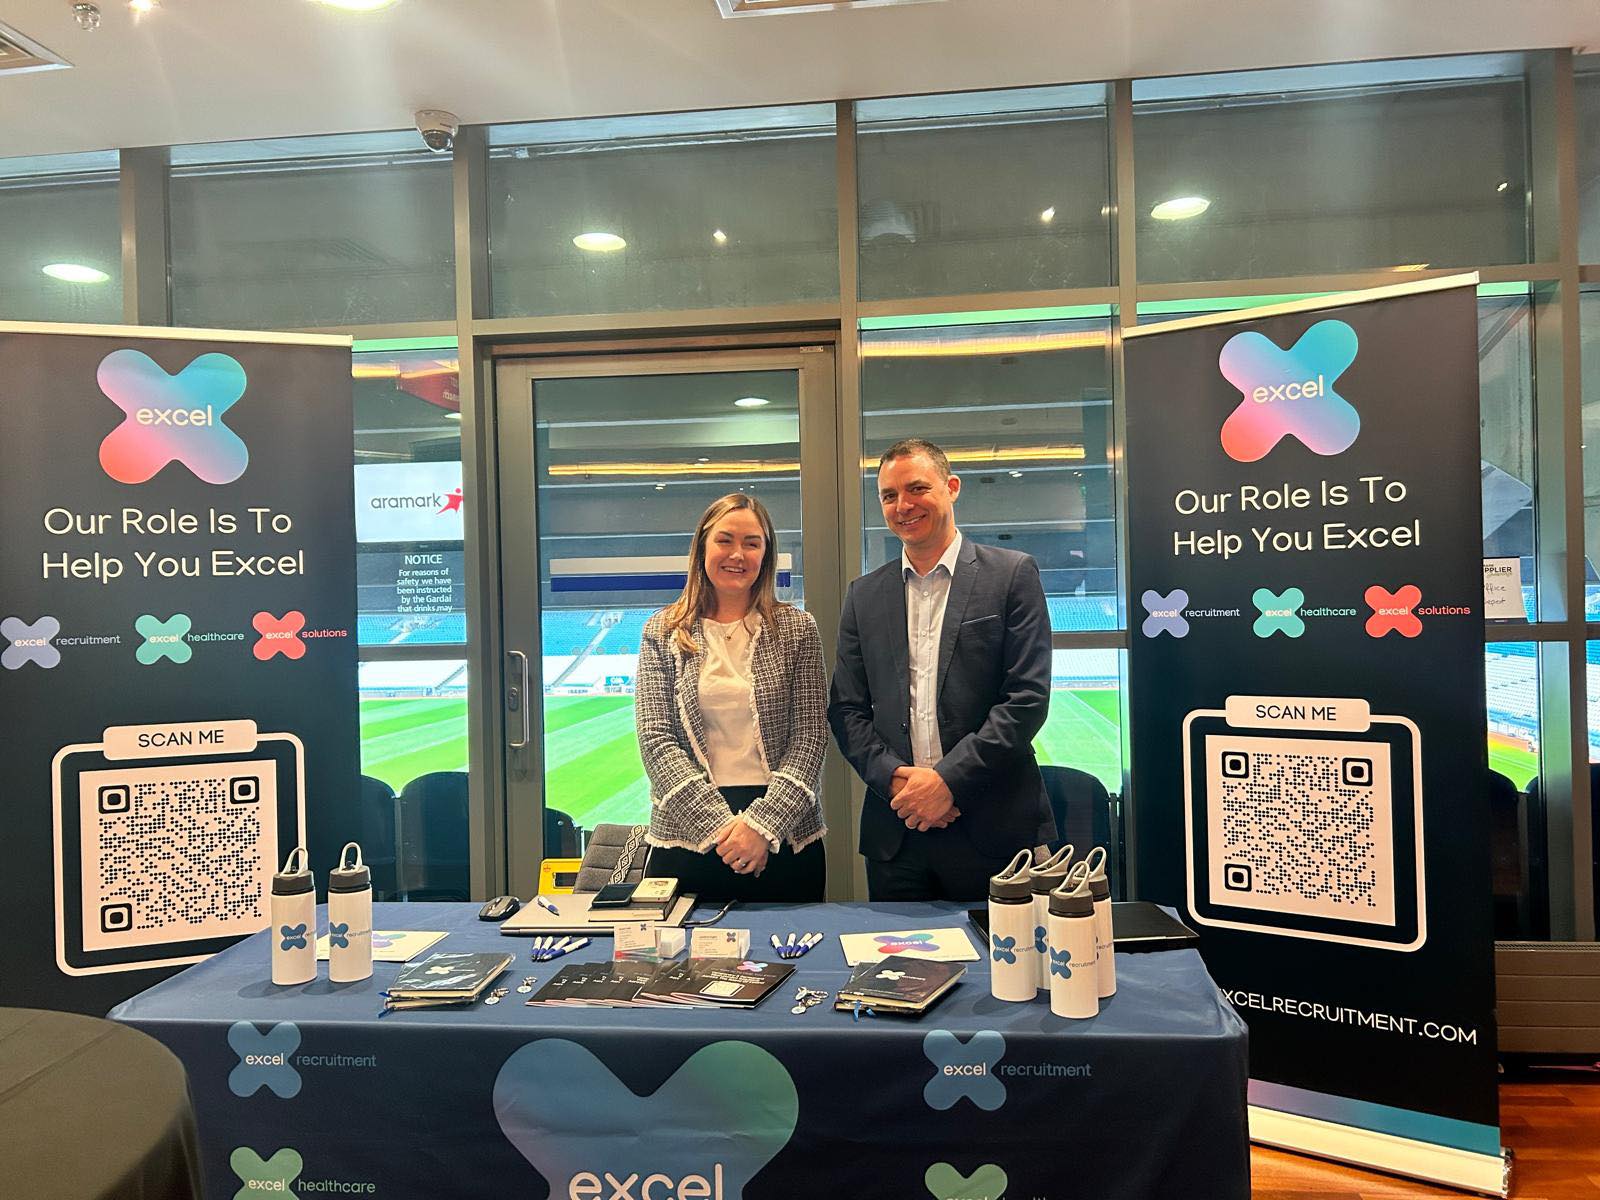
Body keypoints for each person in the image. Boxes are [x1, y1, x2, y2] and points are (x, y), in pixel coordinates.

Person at [828, 437, 1053, 900]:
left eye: (917, 488)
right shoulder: (863, 595)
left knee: (999, 950)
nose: (903, 506)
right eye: (889, 495)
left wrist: (948, 782)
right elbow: (846, 709)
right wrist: (899, 782)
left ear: (951, 487)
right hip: (898, 831)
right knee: (894, 951)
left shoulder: (1011, 575)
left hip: (993, 828)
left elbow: (1026, 700)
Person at [635, 492, 828, 901]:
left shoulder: (798, 629)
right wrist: (723, 830)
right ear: (703, 547)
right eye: (725, 540)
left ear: (766, 554)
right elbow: (656, 740)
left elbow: (810, 738)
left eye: (751, 543)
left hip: (784, 835)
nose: (737, 554)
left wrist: (761, 827)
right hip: (687, 836)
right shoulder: (662, 630)